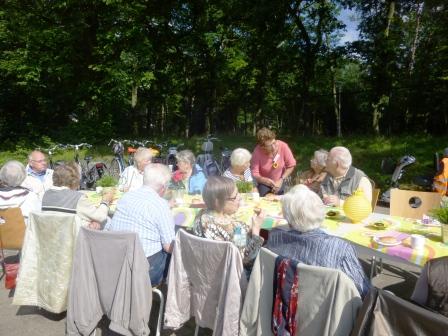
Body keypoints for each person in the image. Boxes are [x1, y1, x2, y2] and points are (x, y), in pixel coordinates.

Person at [266, 185, 370, 297]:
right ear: (321, 212)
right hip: (328, 310)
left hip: (284, 305)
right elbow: (363, 291)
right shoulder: (340, 248)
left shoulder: (275, 236)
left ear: (287, 217)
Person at [107, 163, 175, 286]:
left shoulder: (126, 197)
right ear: (163, 187)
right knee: (174, 252)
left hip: (117, 262)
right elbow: (169, 246)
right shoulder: (160, 205)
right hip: (144, 270)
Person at [192, 176, 265, 271]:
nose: (240, 198)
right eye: (235, 197)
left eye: (238, 194)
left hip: (204, 271)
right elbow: (246, 259)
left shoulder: (200, 216)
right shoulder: (235, 227)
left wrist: (247, 228)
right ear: (218, 202)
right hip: (229, 277)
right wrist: (256, 229)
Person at [41, 162, 113, 229]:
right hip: (75, 239)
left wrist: (86, 223)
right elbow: (100, 217)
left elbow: (59, 219)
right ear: (75, 180)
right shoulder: (77, 198)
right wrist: (105, 201)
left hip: (53, 236)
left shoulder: (46, 194)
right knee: (108, 221)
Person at [251, 127, 296, 197]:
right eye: (270, 146)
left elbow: (291, 165)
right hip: (264, 182)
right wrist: (264, 180)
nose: (274, 147)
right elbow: (254, 173)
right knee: (264, 196)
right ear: (262, 147)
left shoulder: (283, 146)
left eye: (274, 143)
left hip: (281, 179)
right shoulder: (257, 151)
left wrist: (281, 179)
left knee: (281, 195)